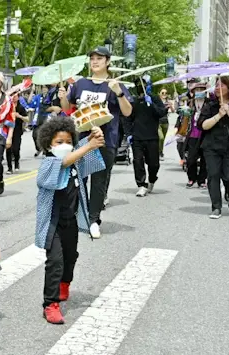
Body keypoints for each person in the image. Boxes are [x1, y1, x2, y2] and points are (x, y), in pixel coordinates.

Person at [35, 118, 105, 324]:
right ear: (48, 144)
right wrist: (87, 146)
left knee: (71, 256)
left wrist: (94, 137)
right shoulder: (49, 163)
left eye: (68, 141)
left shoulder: (76, 159)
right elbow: (63, 162)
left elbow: (86, 151)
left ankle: (65, 283)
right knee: (55, 261)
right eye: (59, 142)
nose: (64, 145)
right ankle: (50, 303)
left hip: (71, 219)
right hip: (52, 221)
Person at [59, 46, 133, 239]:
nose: (95, 61)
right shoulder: (81, 83)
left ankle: (93, 220)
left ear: (108, 61)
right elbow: (68, 108)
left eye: (99, 58)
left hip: (105, 141)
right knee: (78, 180)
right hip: (81, 140)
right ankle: (77, 216)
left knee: (99, 182)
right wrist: (62, 99)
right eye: (92, 58)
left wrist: (119, 93)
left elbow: (127, 112)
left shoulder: (115, 84)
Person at [199, 76, 229, 219]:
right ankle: (216, 207)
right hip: (211, 146)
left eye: (222, 85)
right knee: (213, 175)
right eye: (216, 85)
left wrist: (228, 112)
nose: (218, 88)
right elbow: (202, 125)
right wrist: (218, 115)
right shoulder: (210, 105)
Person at [129, 77, 167, 197]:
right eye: (138, 84)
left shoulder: (154, 98)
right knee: (138, 161)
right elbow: (127, 117)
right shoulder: (133, 101)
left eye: (143, 84)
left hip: (152, 136)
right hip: (137, 136)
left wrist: (151, 104)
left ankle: (151, 179)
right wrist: (129, 133)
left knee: (154, 164)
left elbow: (162, 113)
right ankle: (141, 185)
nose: (140, 86)